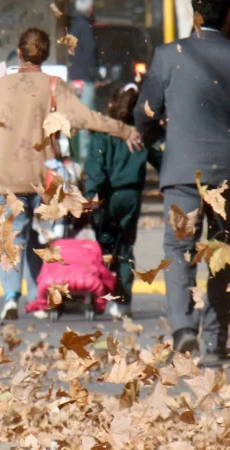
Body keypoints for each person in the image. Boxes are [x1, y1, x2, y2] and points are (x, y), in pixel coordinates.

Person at [134, 0, 230, 365]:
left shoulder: (167, 55)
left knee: (179, 252)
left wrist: (155, 138)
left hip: (181, 173)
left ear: (194, 14)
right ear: (229, 14)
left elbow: (144, 111)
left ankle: (183, 329)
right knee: (224, 257)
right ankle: (215, 339)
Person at [0, 27, 141, 321]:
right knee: (41, 241)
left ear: (19, 54)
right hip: (44, 179)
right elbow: (86, 118)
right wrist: (123, 129)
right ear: (44, 56)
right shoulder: (54, 85)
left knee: (11, 240)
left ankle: (10, 298)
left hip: (5, 178)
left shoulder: (0, 88)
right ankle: (39, 299)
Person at [84, 83, 161, 319]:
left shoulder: (103, 133)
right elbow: (160, 158)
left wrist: (91, 194)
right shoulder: (141, 133)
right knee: (126, 248)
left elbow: (95, 168)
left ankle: (99, 296)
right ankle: (123, 301)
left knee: (103, 248)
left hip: (106, 197)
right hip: (131, 196)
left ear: (112, 103)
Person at [69, 0, 99, 162]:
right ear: (89, 10)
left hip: (74, 77)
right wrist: (94, 75)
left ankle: (76, 156)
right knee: (87, 118)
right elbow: (90, 54)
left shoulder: (74, 26)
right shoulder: (86, 28)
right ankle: (85, 158)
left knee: (75, 118)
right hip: (85, 79)